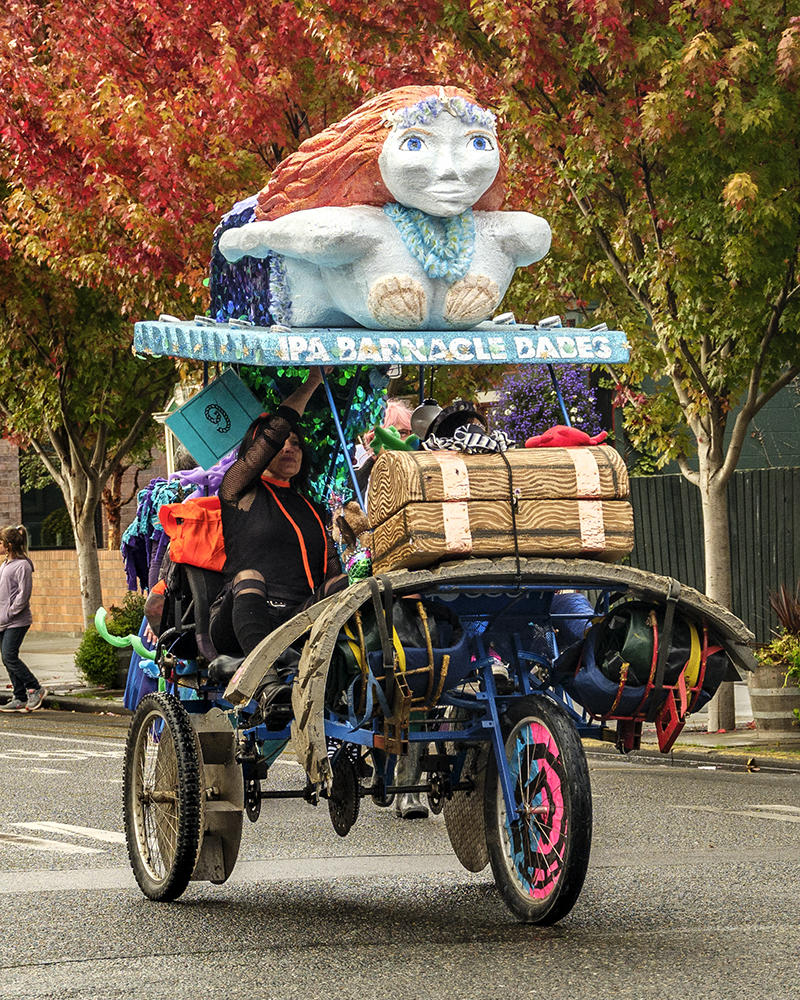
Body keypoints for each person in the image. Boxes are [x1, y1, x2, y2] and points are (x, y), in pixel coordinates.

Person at [218, 85, 551, 330]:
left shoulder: (500, 233)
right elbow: (308, 235)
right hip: (312, 303)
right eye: (415, 143)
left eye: (478, 143)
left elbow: (533, 236)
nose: (450, 168)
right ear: (374, 153)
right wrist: (250, 238)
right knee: (335, 236)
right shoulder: (359, 227)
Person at [209, 368, 345, 701]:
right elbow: (275, 430)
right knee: (250, 576)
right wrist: (312, 383)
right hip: (240, 617)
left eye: (296, 444)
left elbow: (332, 576)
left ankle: (346, 686)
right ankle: (266, 683)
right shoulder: (237, 490)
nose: (289, 448)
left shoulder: (314, 509)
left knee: (344, 587)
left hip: (298, 620)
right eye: (279, 444)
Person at [0, 525, 47, 712]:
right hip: (3, 620)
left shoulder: (23, 565)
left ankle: (35, 688)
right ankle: (19, 696)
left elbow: (23, 594)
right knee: (6, 658)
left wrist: (11, 612)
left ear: (9, 545)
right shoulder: (5, 564)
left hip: (17, 621)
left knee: (10, 656)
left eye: (1, 543)